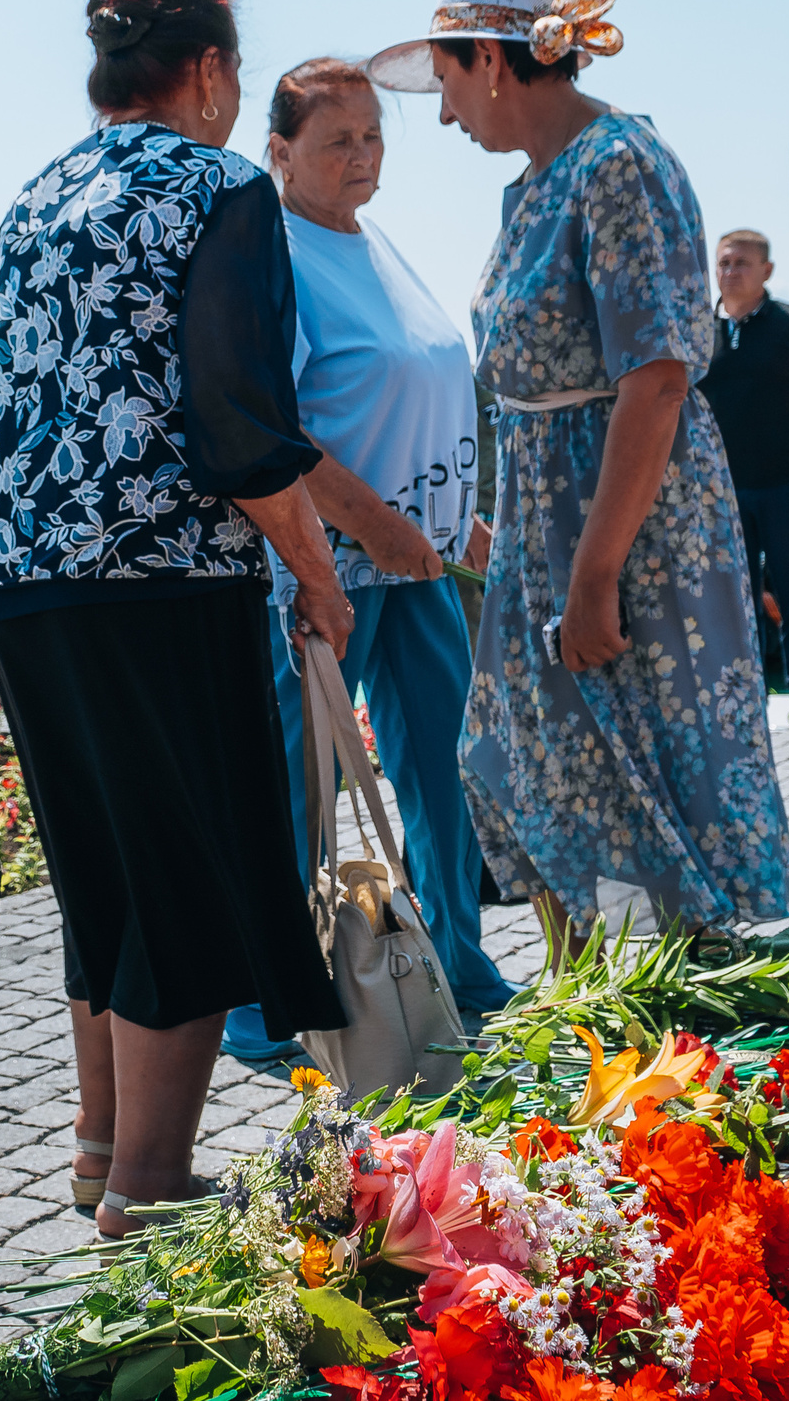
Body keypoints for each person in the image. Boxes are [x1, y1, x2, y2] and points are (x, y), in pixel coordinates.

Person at [0, 0, 347, 1239]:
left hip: (23, 578)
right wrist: (317, 575)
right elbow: (238, 420)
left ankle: (96, 1149)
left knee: (101, 872)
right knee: (182, 875)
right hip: (158, 576)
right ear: (211, 70)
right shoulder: (219, 186)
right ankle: (148, 1186)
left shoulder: (37, 194)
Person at [370, 0, 789, 943]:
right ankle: (590, 999)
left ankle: (676, 997)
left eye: (445, 83)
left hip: (627, 525)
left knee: (644, 756)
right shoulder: (529, 187)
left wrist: (595, 574)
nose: (445, 117)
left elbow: (656, 379)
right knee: (542, 763)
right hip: (545, 518)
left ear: (490, 60)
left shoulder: (619, 164)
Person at [222, 56, 512, 1074]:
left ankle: (457, 967)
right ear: (279, 151)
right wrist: (379, 527)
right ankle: (268, 1006)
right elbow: (279, 427)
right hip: (325, 571)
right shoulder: (274, 252)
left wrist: (458, 522)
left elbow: (417, 395)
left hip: (419, 563)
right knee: (300, 791)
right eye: (337, 138)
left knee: (440, 772)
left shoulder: (375, 240)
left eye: (373, 135)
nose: (362, 155)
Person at [694, 231, 789, 726]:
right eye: (723, 262)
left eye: (742, 262)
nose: (730, 271)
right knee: (733, 605)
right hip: (720, 493)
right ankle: (745, 705)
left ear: (767, 271)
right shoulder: (698, 331)